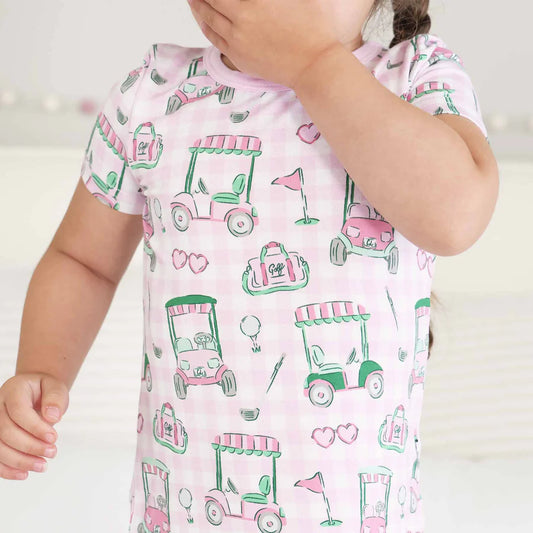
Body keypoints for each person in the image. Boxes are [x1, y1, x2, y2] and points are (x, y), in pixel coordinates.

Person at [0, 0, 499, 532]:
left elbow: (455, 217)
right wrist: (42, 369)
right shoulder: (155, 93)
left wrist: (312, 62)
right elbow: (83, 261)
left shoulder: (414, 78)